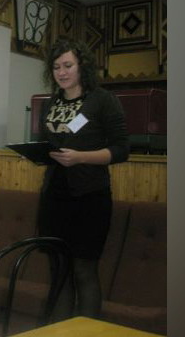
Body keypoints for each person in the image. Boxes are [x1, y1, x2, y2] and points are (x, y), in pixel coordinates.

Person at [37, 38, 129, 318]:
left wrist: (81, 157)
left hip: (89, 198)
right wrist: (38, 153)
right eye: (56, 67)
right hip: (54, 197)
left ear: (82, 66)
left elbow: (121, 150)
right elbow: (47, 144)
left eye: (68, 65)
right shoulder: (50, 103)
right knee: (59, 271)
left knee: (83, 270)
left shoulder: (102, 100)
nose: (61, 72)